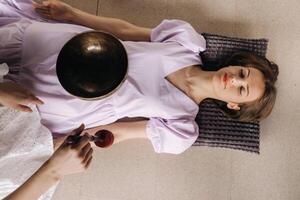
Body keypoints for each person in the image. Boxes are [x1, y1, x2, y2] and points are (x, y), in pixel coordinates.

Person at [0, 0, 278, 154]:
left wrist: (67, 143)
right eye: (243, 73)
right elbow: (126, 30)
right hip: (76, 47)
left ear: (233, 105)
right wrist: (72, 14)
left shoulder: (182, 126)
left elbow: (118, 132)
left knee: (15, 98)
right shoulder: (188, 43)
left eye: (242, 90)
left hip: (75, 100)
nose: (235, 80)